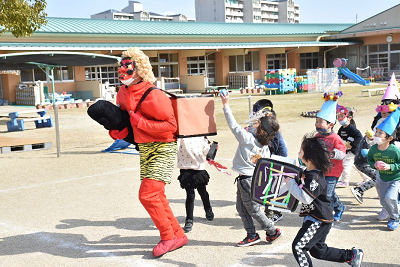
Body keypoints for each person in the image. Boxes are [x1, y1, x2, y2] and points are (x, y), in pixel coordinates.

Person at [112, 47, 187, 257]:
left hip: (163, 147)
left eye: (128, 66)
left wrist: (140, 122)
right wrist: (118, 131)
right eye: (121, 65)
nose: (123, 70)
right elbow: (126, 123)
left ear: (139, 69)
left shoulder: (154, 95)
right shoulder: (122, 93)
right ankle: (178, 234)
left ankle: (168, 237)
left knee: (148, 194)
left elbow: (170, 126)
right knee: (157, 195)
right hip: (144, 147)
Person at [285, 136, 364, 267]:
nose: (298, 153)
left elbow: (305, 197)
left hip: (318, 220)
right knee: (318, 251)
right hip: (318, 218)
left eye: (300, 151)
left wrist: (291, 184)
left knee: (299, 246)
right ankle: (352, 255)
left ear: (309, 158)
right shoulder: (309, 172)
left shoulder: (314, 177)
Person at [220, 90, 282, 247]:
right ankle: (252, 235)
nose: (251, 123)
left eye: (255, 123)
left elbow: (233, 125)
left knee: (254, 210)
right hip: (248, 179)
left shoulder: (247, 139)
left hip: (247, 180)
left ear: (260, 129)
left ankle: (272, 231)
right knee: (241, 208)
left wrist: (226, 104)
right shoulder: (265, 144)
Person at [252, 99, 288, 223]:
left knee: (270, 188)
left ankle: (272, 213)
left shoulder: (271, 129)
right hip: (265, 161)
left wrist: (282, 163)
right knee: (265, 187)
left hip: (274, 162)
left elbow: (282, 149)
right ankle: (272, 212)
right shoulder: (260, 127)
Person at [367, 107, 400, 230]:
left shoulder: (395, 151)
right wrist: (374, 165)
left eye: (380, 133)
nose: (376, 135)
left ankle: (395, 217)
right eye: (376, 132)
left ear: (389, 138)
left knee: (390, 197)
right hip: (383, 179)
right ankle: (393, 212)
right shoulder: (374, 149)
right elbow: (370, 160)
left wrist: (390, 166)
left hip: (396, 179)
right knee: (383, 201)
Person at [315, 93, 346, 221]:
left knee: (326, 195)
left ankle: (327, 217)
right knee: (330, 193)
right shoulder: (317, 137)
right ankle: (339, 207)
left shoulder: (335, 138)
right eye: (316, 121)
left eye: (320, 122)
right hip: (321, 170)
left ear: (330, 125)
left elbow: (342, 152)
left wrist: (335, 154)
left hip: (333, 171)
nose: (317, 124)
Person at [177, 136, 215, 233]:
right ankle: (189, 220)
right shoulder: (180, 138)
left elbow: (208, 154)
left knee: (202, 192)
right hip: (185, 169)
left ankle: (208, 208)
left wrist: (214, 147)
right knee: (190, 195)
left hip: (198, 170)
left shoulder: (201, 137)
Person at [336, 106, 363, 187]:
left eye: (342, 116)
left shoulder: (351, 127)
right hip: (347, 150)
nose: (340, 118)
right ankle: (367, 179)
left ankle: (344, 181)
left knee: (345, 165)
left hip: (352, 151)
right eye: (339, 116)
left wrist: (352, 144)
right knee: (357, 166)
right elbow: (338, 138)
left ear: (349, 118)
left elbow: (359, 136)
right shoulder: (341, 129)